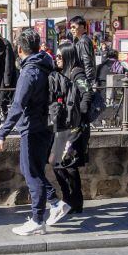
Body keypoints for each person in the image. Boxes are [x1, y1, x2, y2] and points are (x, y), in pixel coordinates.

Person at [0, 29, 67, 236]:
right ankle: (54, 204)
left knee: (32, 174)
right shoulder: (45, 64)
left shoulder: (29, 71)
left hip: (32, 128)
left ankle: (37, 220)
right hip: (46, 126)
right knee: (34, 170)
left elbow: (18, 105)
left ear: (19, 49)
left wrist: (2, 133)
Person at [50, 42, 92, 215]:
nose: (57, 59)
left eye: (60, 56)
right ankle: (68, 198)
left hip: (75, 127)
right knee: (56, 162)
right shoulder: (63, 73)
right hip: (64, 126)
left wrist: (78, 113)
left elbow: (87, 93)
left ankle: (75, 201)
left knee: (68, 164)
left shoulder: (77, 73)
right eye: (56, 56)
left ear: (68, 56)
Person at [69, 16, 97, 87]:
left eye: (74, 27)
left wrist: (88, 81)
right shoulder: (80, 40)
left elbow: (87, 61)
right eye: (71, 28)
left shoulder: (83, 41)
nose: (72, 30)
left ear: (82, 27)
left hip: (85, 78)